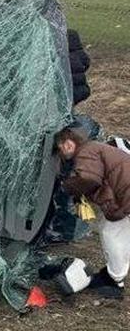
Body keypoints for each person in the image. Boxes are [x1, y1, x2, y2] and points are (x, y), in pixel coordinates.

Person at [54, 126, 130, 298]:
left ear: (70, 142)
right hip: (125, 193)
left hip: (126, 194)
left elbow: (89, 178)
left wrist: (68, 187)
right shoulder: (95, 148)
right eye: (60, 148)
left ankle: (115, 281)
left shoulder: (86, 151)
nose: (63, 150)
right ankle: (113, 275)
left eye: (63, 145)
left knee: (111, 234)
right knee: (118, 233)